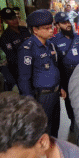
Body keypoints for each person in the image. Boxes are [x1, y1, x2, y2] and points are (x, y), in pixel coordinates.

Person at [17, 10, 65, 138]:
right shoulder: (28, 48)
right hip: (41, 97)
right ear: (35, 30)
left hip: (54, 94)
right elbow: (24, 78)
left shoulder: (50, 45)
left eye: (51, 27)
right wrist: (30, 103)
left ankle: (54, 151)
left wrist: (60, 87)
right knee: (43, 130)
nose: (51, 30)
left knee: (55, 127)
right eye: (47, 28)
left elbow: (53, 68)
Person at [51, 12, 79, 132]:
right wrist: (60, 85)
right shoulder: (54, 41)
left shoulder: (78, 37)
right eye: (64, 23)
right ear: (58, 25)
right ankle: (73, 121)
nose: (68, 24)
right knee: (70, 101)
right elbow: (55, 64)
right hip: (66, 74)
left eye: (68, 22)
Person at [0, 8, 31, 91]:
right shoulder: (5, 38)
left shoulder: (25, 30)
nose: (14, 21)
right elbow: (12, 58)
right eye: (10, 19)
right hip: (20, 72)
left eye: (14, 18)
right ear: (5, 21)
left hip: (33, 67)